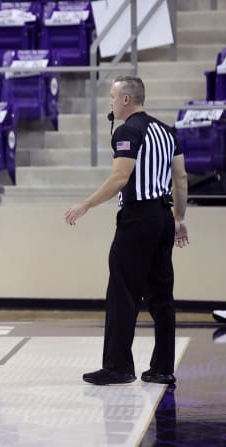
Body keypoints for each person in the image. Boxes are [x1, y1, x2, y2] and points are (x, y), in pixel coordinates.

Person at [64, 75, 189, 385]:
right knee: (161, 295)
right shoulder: (167, 131)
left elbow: (120, 178)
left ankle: (118, 366)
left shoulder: (128, 130)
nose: (110, 102)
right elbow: (181, 178)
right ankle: (162, 368)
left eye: (111, 97)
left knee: (122, 292)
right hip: (162, 217)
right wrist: (179, 218)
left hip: (137, 219)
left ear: (125, 100)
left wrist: (85, 205)